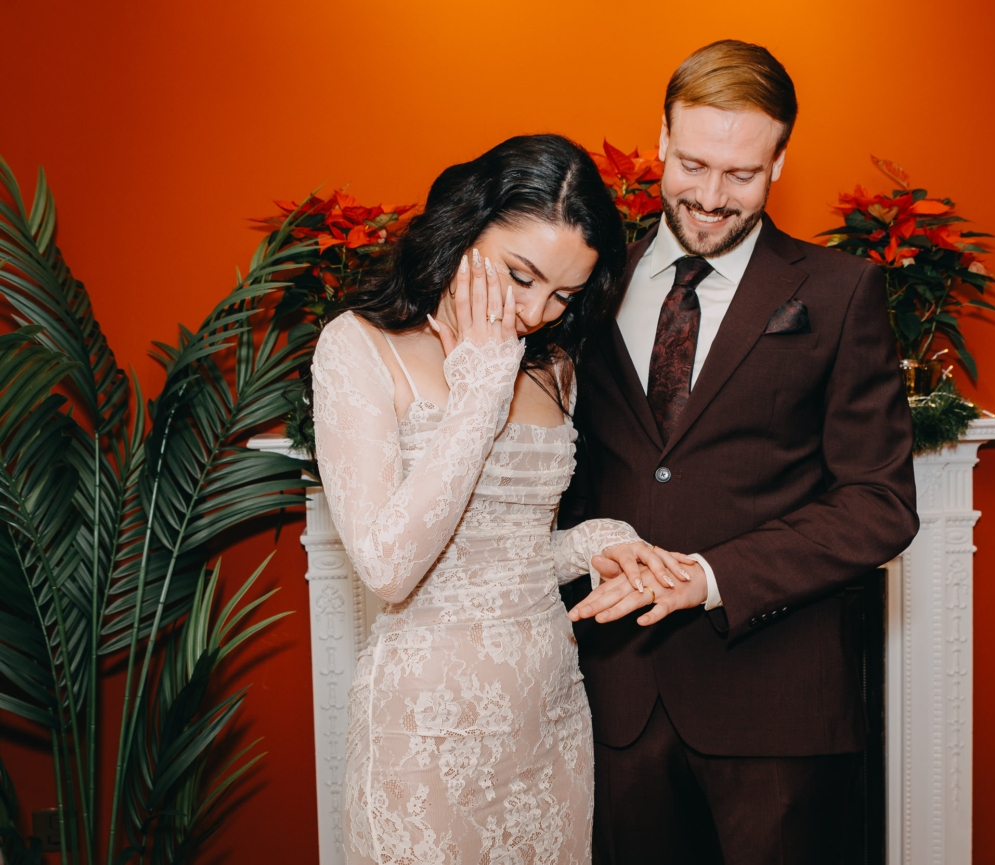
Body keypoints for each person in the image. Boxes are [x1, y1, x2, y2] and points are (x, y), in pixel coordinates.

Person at [564, 41, 920, 864]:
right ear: (661, 138)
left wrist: (712, 575)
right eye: (693, 165)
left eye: (742, 175)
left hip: (779, 710)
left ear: (780, 162)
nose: (711, 196)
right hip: (617, 704)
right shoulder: (586, 281)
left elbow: (880, 503)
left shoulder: (841, 292)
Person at [311, 134, 688, 865]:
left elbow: (504, 559)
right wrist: (480, 390)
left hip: (548, 719)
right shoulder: (358, 347)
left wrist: (594, 541)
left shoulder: (553, 366)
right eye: (521, 276)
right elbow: (390, 567)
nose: (537, 312)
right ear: (464, 228)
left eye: (564, 295)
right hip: (424, 735)